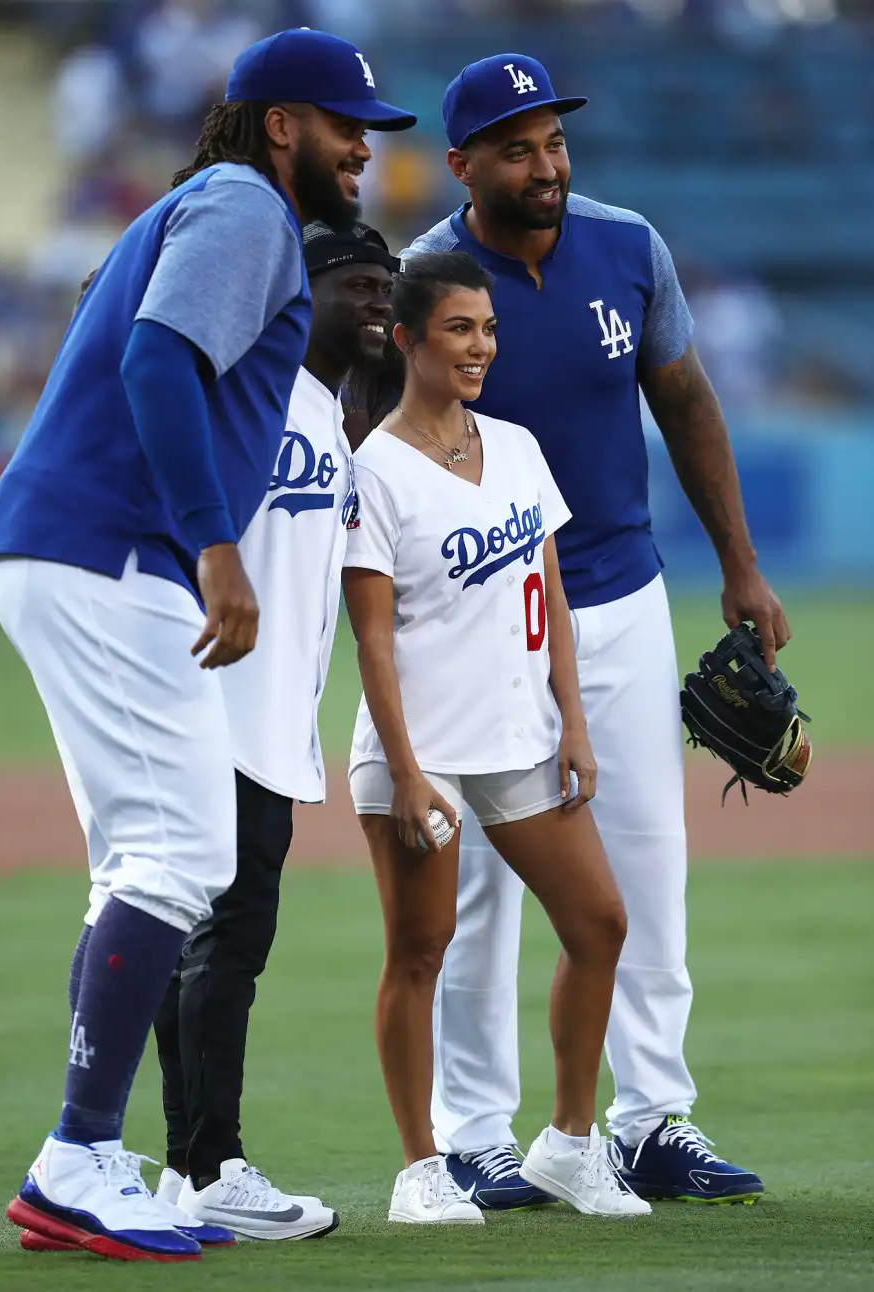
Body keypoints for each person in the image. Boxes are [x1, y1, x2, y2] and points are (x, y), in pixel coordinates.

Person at [0, 28, 415, 1263]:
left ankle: (96, 1152)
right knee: (183, 850)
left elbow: (117, 328)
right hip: (114, 548)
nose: (362, 153)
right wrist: (214, 546)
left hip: (66, 542)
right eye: (347, 126)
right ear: (282, 123)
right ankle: (75, 1157)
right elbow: (159, 358)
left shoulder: (199, 203)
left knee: (141, 860)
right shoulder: (244, 207)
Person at [404, 53, 788, 1209]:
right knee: (483, 886)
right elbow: (391, 450)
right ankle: (475, 1132)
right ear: (465, 163)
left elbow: (684, 401)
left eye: (555, 141)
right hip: (477, 613)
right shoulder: (427, 276)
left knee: (646, 863)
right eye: (517, 148)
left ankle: (650, 1118)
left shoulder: (631, 246)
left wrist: (740, 565)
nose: (546, 164)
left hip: (619, 594)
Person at [342, 251, 651, 1225]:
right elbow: (373, 639)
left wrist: (575, 720)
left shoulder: (516, 445)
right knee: (420, 950)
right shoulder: (376, 469)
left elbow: (550, 594)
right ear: (408, 339)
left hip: (521, 737)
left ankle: (567, 1141)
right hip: (418, 749)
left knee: (599, 922)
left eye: (488, 329)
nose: (480, 346)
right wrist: (404, 770)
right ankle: (421, 1168)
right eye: (458, 329)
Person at [150, 220, 398, 1241]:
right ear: (301, 290)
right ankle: (216, 1164)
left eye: (388, 284)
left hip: (265, 715)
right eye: (357, 284)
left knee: (198, 940)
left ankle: (182, 1169)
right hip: (220, 705)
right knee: (229, 939)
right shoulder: (252, 394)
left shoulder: (330, 414)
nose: (379, 300)